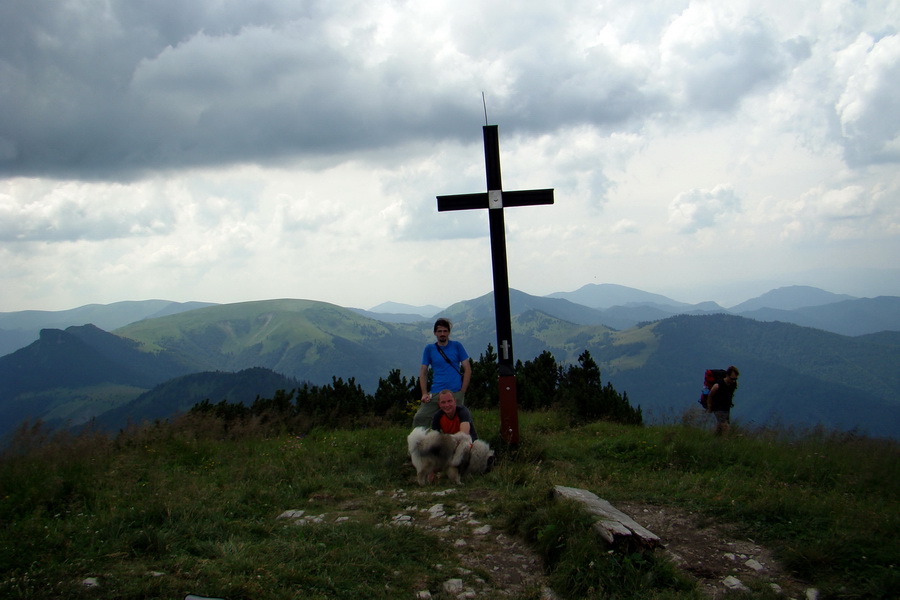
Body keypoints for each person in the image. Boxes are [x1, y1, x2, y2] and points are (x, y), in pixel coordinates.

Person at [414, 318, 471, 428]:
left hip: (455, 392)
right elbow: (423, 372)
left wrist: (462, 391)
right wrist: (424, 393)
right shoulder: (429, 349)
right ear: (435, 333)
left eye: (445, 331)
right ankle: (421, 444)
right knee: (420, 418)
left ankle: (458, 444)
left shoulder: (457, 346)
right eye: (439, 331)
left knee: (457, 423)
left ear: (449, 332)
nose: (442, 334)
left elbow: (467, 369)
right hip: (436, 393)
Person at [706, 365, 740, 435]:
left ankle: (714, 437)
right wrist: (709, 407)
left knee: (720, 426)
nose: (733, 381)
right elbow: (710, 395)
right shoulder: (718, 385)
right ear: (727, 375)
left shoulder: (733, 384)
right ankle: (725, 441)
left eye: (735, 379)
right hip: (717, 408)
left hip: (726, 408)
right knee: (725, 425)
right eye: (732, 378)